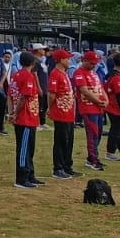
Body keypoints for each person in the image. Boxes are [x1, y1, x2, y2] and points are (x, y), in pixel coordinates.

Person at [7, 51, 43, 189]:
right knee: (24, 149)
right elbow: (24, 97)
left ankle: (30, 174)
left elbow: (10, 96)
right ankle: (22, 177)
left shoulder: (15, 76)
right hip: (25, 117)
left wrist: (11, 112)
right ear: (33, 63)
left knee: (29, 148)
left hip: (27, 117)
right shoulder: (27, 76)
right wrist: (15, 114)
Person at [73, 51, 109, 171]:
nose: (94, 65)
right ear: (85, 61)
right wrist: (98, 101)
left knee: (98, 133)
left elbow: (101, 88)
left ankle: (92, 157)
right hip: (88, 108)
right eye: (92, 63)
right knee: (92, 134)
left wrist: (106, 100)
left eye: (95, 63)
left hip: (99, 108)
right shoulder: (79, 73)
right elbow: (84, 91)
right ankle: (93, 160)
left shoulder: (94, 73)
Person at [46, 49, 77, 179]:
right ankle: (58, 167)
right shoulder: (55, 74)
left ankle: (67, 165)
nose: (69, 61)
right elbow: (51, 94)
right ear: (61, 60)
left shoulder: (64, 73)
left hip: (68, 112)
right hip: (61, 112)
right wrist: (50, 108)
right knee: (60, 140)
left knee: (69, 140)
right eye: (67, 58)